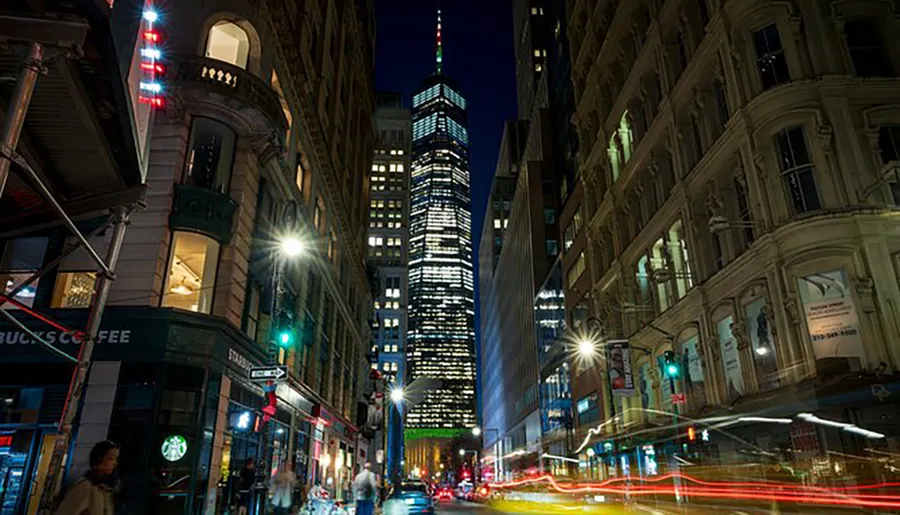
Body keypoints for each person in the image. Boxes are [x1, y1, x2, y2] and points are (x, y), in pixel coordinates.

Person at [54, 440, 119, 515]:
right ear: (99, 458)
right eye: (111, 458)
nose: (115, 463)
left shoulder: (103, 490)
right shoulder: (84, 488)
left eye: (116, 459)